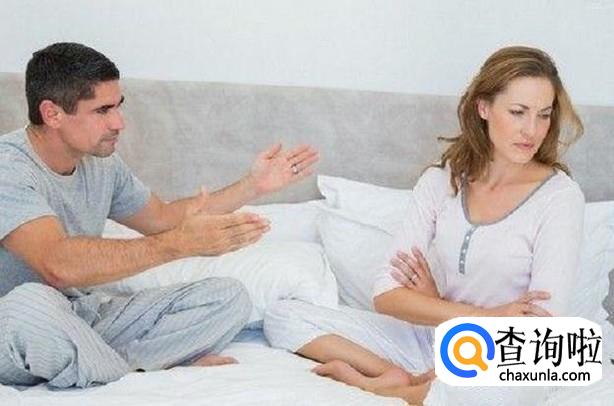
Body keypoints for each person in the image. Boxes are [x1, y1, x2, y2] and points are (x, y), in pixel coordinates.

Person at [264, 46, 584, 404]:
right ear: (483, 108)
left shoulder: (560, 197)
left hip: (514, 352)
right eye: (518, 112)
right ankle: (403, 377)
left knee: (494, 387)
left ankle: (380, 387)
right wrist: (484, 316)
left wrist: (437, 307)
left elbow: (541, 325)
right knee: (283, 316)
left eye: (544, 115)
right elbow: (386, 294)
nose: (532, 130)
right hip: (435, 336)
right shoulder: (441, 180)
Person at [0, 42, 319, 389]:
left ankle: (100, 362)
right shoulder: (9, 168)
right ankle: (128, 371)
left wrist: (252, 185)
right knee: (31, 304)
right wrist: (176, 245)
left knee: (229, 297)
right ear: (52, 114)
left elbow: (164, 218)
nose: (119, 122)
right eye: (102, 110)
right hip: (14, 324)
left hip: (79, 315)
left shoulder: (102, 164)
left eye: (118, 106)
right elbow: (57, 265)